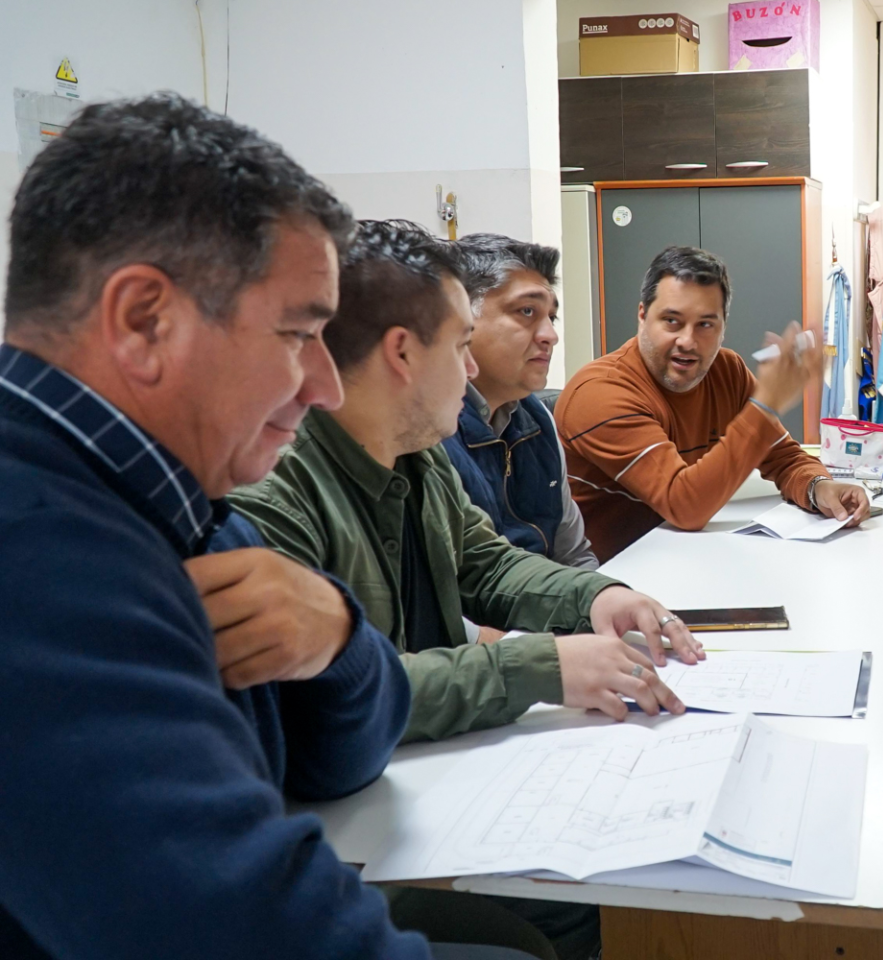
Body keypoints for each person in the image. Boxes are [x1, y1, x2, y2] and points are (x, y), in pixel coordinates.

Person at [0, 94, 528, 960]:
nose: (324, 385)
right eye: (297, 334)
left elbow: (341, 761)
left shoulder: (175, 504)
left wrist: (338, 636)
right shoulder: (42, 567)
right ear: (143, 321)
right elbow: (236, 923)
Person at [229, 219, 703, 746]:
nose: (471, 368)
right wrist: (538, 668)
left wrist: (595, 597)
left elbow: (487, 564)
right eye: (459, 346)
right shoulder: (274, 492)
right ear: (401, 354)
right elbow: (329, 700)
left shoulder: (418, 454)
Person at [556, 245, 871, 561]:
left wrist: (819, 487)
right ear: (642, 316)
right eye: (671, 321)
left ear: (723, 327)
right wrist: (766, 404)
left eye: (705, 324)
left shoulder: (727, 370)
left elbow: (784, 458)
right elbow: (684, 505)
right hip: (612, 575)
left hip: (685, 557)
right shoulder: (600, 393)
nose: (688, 341)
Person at [442, 234, 598, 571]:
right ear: (460, 319)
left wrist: (599, 596)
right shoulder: (427, 430)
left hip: (552, 596)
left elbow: (574, 555)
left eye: (551, 317)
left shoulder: (536, 416)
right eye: (527, 311)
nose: (550, 335)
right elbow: (468, 582)